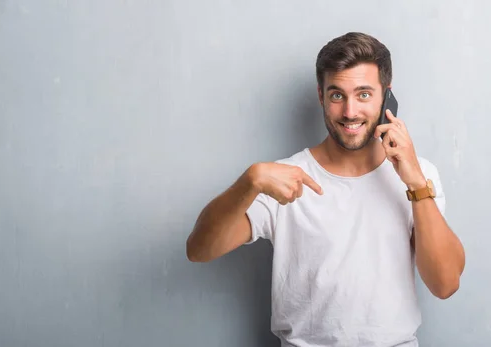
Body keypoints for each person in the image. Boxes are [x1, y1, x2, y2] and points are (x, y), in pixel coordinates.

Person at [186, 32, 466, 347]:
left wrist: (415, 183)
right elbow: (199, 250)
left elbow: (445, 284)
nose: (349, 112)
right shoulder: (283, 179)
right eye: (337, 95)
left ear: (387, 96)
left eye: (363, 94)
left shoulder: (419, 176)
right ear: (321, 96)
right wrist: (249, 181)